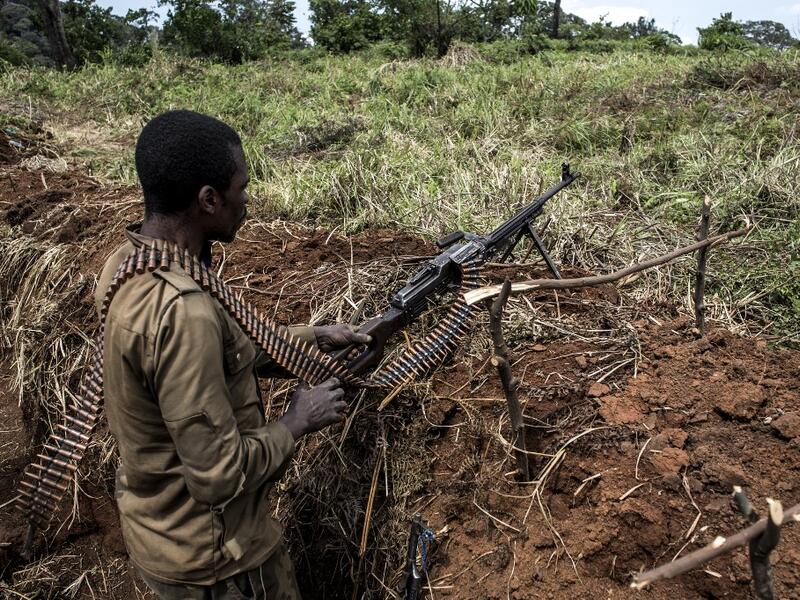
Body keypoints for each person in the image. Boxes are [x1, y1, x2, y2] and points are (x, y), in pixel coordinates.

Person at [94, 110, 370, 599]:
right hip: (219, 564)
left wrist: (313, 337)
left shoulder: (130, 263)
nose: (247, 200)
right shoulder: (185, 313)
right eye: (241, 187)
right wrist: (299, 420)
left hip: (161, 534)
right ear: (208, 199)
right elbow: (219, 476)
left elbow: (223, 352)